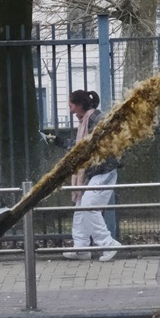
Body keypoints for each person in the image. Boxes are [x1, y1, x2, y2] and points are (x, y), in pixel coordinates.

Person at [63, 89, 123, 261]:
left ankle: (109, 244)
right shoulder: (87, 121)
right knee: (81, 206)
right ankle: (81, 247)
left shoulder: (96, 119)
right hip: (96, 171)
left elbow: (109, 142)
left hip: (105, 171)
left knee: (88, 206)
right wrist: (59, 142)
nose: (71, 110)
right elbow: (81, 149)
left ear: (80, 105)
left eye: (72, 106)